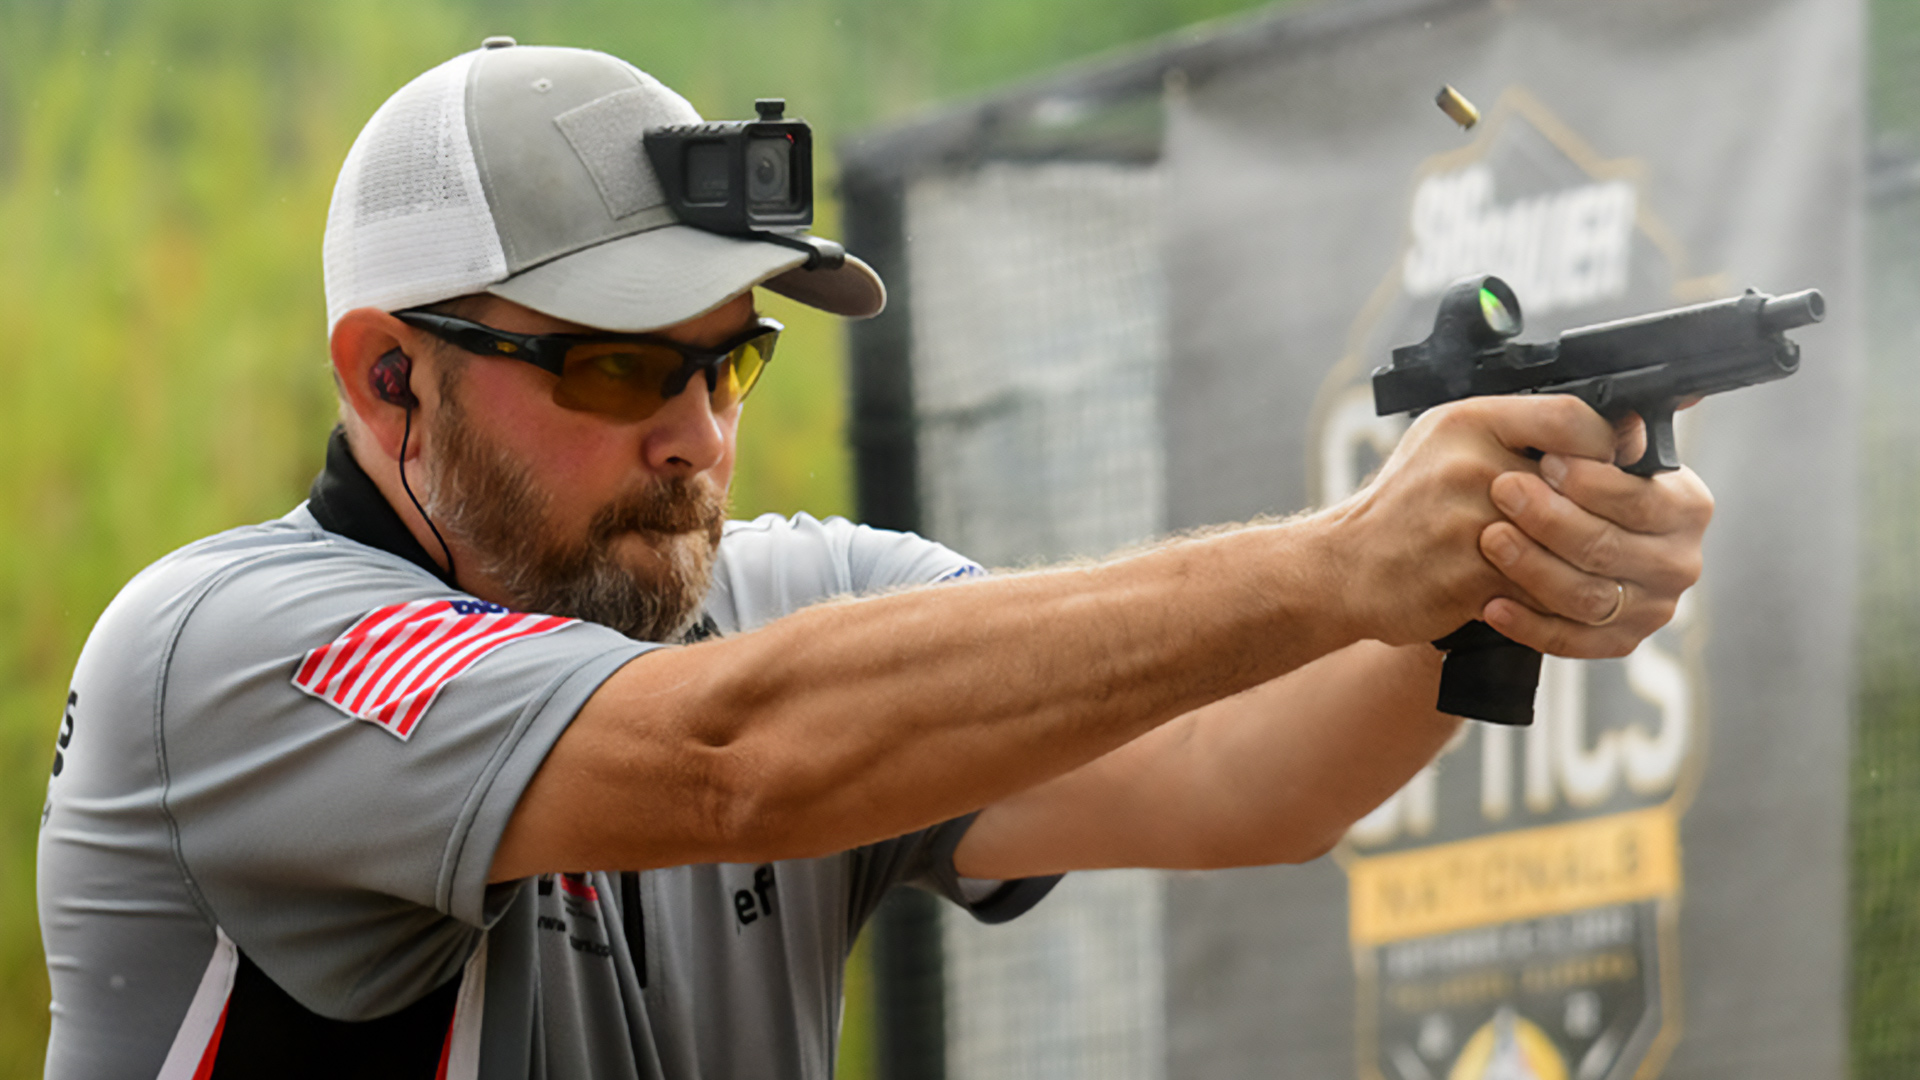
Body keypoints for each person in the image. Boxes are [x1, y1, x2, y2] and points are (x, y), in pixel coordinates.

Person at [36, 39, 1711, 1080]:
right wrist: (1346, 560)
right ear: (389, 377)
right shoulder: (231, 649)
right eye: (617, 368)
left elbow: (1238, 780)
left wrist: (1492, 568)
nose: (693, 434)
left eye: (725, 360)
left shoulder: (793, 606)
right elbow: (726, 757)